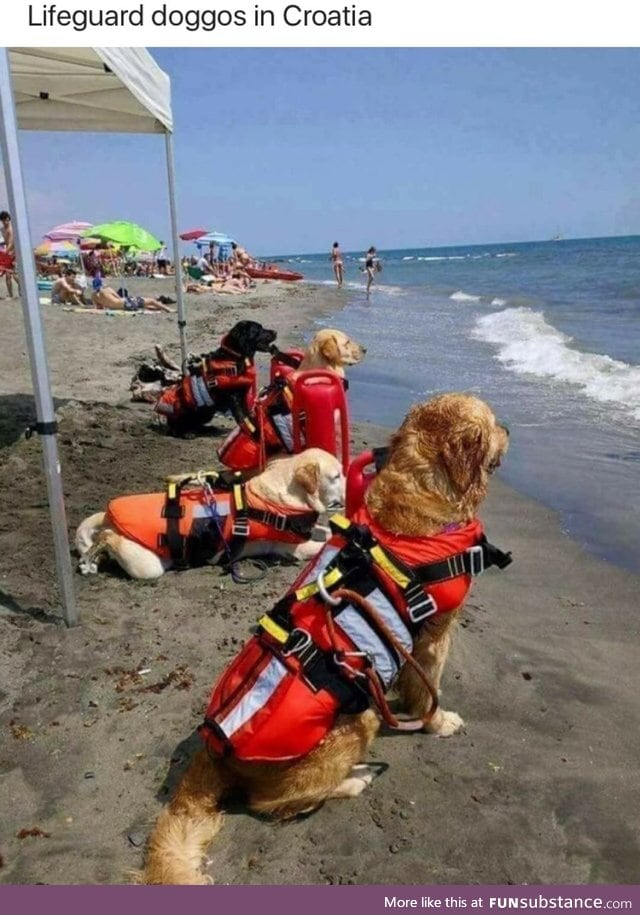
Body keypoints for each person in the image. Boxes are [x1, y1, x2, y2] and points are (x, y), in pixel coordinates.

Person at [90, 274, 173, 312]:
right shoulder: (108, 289)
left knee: (145, 305)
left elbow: (98, 307)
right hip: (125, 303)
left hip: (121, 308)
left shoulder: (93, 296)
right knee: (151, 300)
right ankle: (169, 310)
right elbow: (119, 298)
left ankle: (161, 307)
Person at [0, 210, 18, 298]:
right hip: (7, 252)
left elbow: (11, 242)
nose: (5, 222)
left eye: (7, 220)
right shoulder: (2, 229)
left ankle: (22, 289)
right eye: (4, 220)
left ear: (9, 219)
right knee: (8, 275)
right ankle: (11, 294)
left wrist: (5, 253)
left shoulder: (11, 228)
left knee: (13, 274)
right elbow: (4, 242)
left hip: (13, 252)